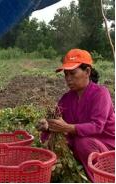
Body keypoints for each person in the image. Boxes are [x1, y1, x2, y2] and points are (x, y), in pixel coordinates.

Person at [37, 49, 115, 182]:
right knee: (56, 142)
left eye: (72, 73)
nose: (68, 79)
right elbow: (58, 122)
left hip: (106, 146)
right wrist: (47, 125)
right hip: (80, 144)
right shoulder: (66, 98)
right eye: (66, 74)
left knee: (83, 143)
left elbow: (97, 126)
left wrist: (67, 128)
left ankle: (102, 178)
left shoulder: (101, 93)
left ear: (88, 72)